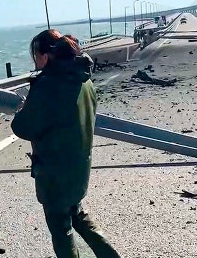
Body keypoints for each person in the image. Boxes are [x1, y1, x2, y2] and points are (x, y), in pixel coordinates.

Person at [10, 29, 121, 258]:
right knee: (78, 215)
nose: (35, 61)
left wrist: (22, 109)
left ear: (46, 56)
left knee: (61, 229)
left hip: (54, 172)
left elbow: (22, 127)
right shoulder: (84, 80)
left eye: (36, 56)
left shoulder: (47, 85)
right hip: (79, 167)